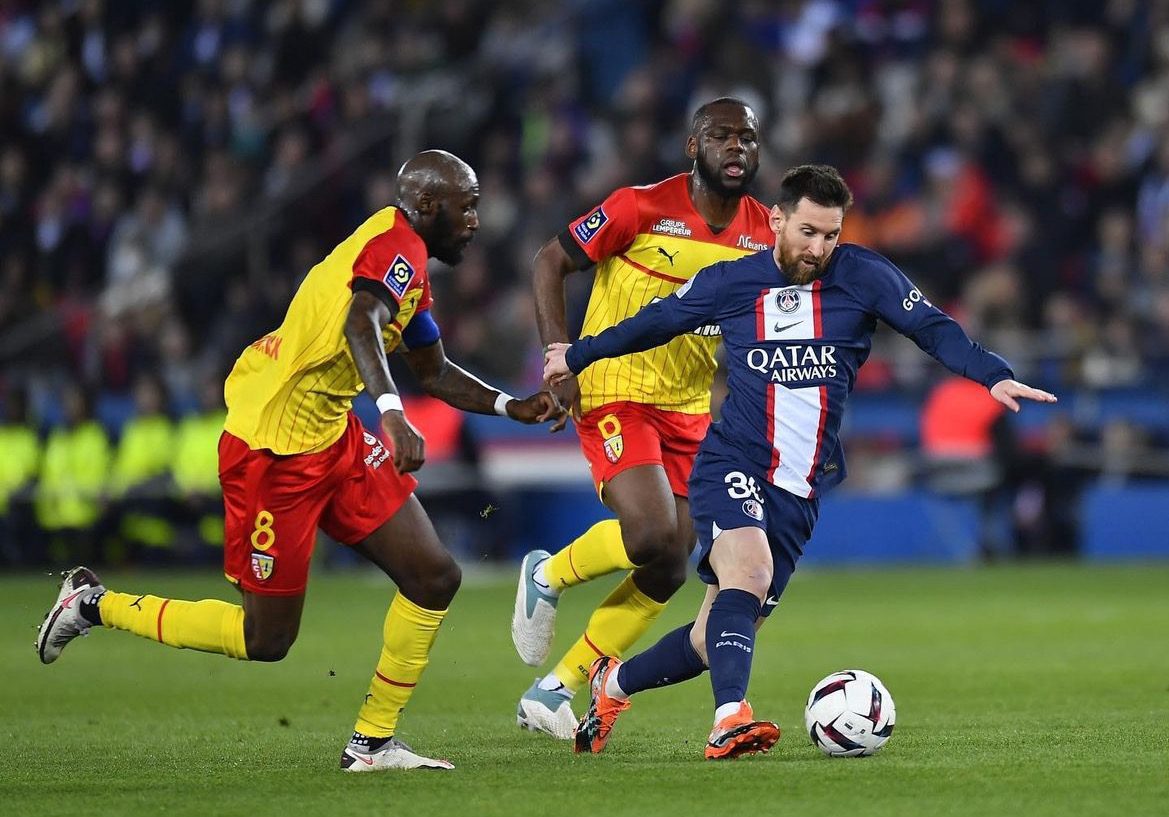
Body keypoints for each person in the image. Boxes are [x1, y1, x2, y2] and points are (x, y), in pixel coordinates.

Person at [36, 150, 562, 772]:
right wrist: (392, 413)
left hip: (332, 434)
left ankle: (371, 744)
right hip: (273, 448)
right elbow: (360, 322)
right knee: (266, 639)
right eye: (466, 206)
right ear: (426, 206)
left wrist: (510, 406)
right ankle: (92, 604)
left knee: (433, 576)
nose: (475, 220)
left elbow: (434, 370)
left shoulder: (410, 267)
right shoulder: (396, 249)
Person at [543, 164, 1056, 760]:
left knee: (714, 637)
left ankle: (613, 683)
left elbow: (929, 326)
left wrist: (991, 374)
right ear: (778, 221)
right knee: (750, 574)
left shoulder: (863, 276)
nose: (818, 248)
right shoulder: (733, 282)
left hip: (800, 487)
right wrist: (575, 355)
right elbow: (655, 322)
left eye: (831, 235)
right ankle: (729, 720)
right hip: (732, 461)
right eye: (808, 232)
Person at [512, 97, 775, 739]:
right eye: (721, 136)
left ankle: (555, 688)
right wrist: (558, 361)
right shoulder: (639, 207)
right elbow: (549, 261)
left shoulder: (765, 233)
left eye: (747, 137)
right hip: (615, 387)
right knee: (652, 532)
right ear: (693, 147)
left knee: (670, 564)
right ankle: (547, 574)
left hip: (688, 405)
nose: (736, 147)